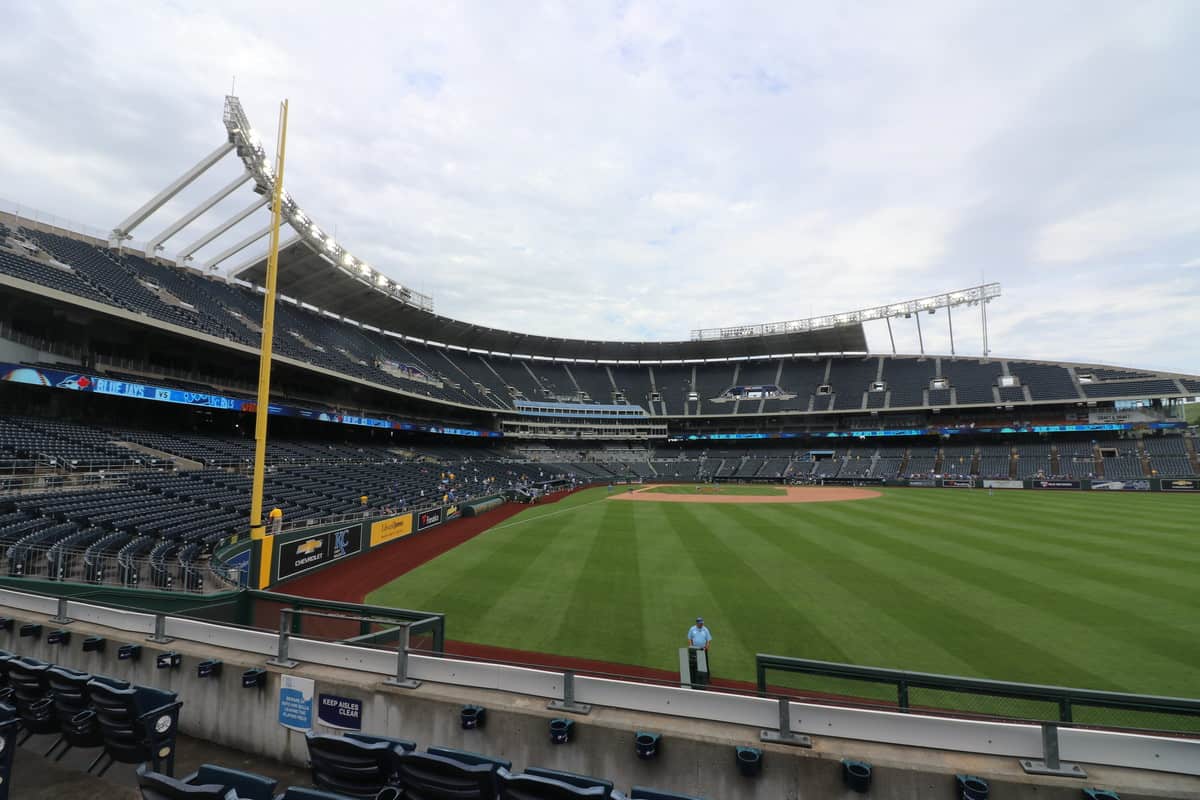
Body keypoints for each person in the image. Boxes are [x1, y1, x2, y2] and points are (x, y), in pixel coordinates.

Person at [686, 616, 713, 684]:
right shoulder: (692, 629)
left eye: (702, 623)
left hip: (703, 649)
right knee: (693, 664)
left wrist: (706, 647)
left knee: (705, 665)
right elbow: (689, 638)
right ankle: (692, 678)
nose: (701, 624)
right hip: (694, 650)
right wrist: (691, 646)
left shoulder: (705, 629)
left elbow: (708, 640)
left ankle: (707, 678)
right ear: (697, 623)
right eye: (700, 623)